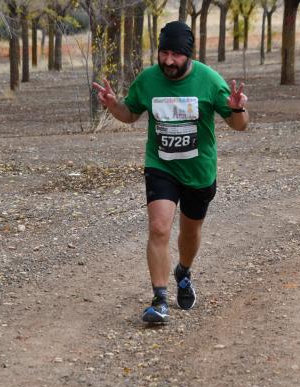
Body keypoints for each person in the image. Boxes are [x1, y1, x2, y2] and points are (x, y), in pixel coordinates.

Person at [93, 21, 249, 323]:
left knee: (189, 232)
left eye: (175, 55)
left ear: (189, 55)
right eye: (163, 53)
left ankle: (184, 272)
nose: (168, 61)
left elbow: (239, 125)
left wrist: (238, 109)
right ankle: (160, 299)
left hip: (199, 171)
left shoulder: (209, 80)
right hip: (161, 165)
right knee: (159, 227)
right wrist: (113, 105)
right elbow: (130, 114)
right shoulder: (149, 79)